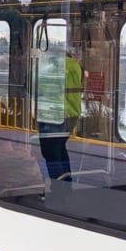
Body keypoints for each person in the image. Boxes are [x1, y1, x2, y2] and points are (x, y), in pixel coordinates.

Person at [37, 51, 83, 181]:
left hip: (53, 114)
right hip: (72, 115)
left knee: (51, 154)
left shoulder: (54, 67)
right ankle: (66, 185)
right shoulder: (77, 67)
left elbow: (32, 84)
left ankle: (59, 190)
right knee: (60, 150)